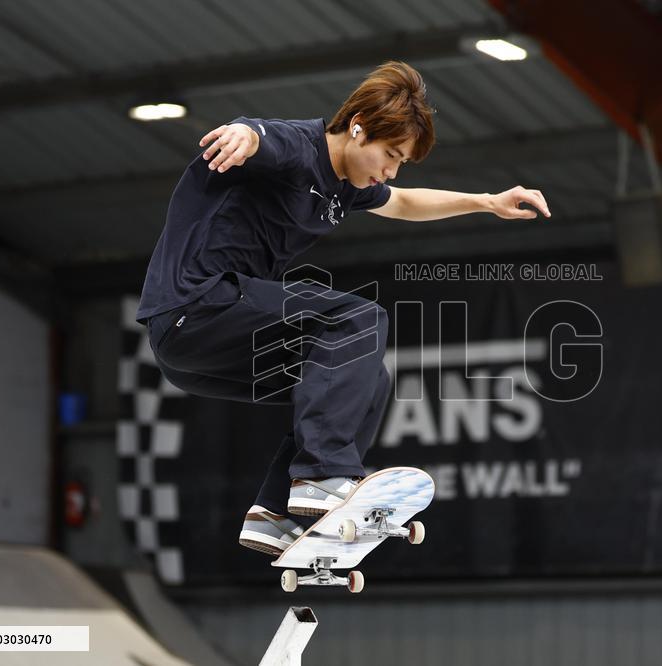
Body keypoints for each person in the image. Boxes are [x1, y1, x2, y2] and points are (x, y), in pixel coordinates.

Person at [136, 61, 551, 557]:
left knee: (367, 378)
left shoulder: (346, 185)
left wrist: (486, 202)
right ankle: (321, 475)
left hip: (203, 346)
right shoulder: (299, 149)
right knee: (356, 321)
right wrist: (244, 135)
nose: (390, 170)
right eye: (390, 154)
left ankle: (275, 515)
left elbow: (403, 203)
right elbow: (258, 135)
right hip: (197, 303)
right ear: (357, 129)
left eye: (401, 162)